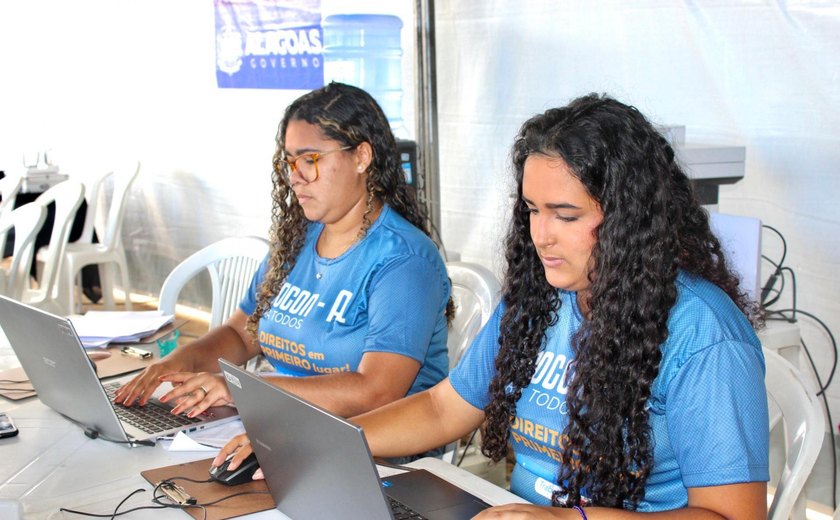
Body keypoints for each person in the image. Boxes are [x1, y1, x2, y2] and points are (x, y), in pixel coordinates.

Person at [217, 93, 770, 517]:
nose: (541, 235)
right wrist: (315, 447)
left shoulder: (703, 334)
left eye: (566, 215)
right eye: (531, 210)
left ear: (630, 219)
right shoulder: (540, 299)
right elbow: (443, 409)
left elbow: (732, 515)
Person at [115, 82, 451, 426]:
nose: (295, 177)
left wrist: (243, 389)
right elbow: (240, 334)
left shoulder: (405, 262)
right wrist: (174, 365)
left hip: (373, 444)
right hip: (284, 423)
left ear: (362, 157)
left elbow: (376, 392)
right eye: (290, 162)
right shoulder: (299, 237)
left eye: (310, 159)